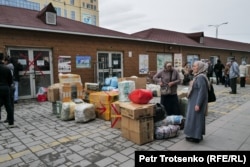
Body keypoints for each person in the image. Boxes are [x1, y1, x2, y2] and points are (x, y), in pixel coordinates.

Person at [184, 61, 209, 143]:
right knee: (194, 119)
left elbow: (203, 92)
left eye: (194, 66)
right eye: (193, 66)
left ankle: (196, 137)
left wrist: (198, 104)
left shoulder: (201, 77)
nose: (193, 68)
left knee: (196, 119)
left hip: (196, 101)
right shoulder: (198, 76)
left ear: (200, 67)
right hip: (194, 100)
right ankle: (196, 135)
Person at [0, 53, 15, 128]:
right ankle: (11, 122)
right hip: (6, 88)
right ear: (2, 59)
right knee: (8, 105)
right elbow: (10, 80)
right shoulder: (6, 68)